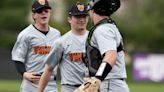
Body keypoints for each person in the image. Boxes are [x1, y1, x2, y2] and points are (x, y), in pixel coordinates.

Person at [37, 2, 89, 92]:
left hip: (91, 88)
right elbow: (48, 70)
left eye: (84, 16)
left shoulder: (95, 39)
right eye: (77, 17)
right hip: (70, 88)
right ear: (69, 19)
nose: (81, 20)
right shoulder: (61, 42)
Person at [11, 0, 61, 92]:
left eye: (46, 11)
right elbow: (18, 58)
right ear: (33, 15)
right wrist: (24, 74)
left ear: (50, 13)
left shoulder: (56, 34)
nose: (43, 13)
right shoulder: (25, 34)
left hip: (50, 83)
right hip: (32, 83)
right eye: (39, 11)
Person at [84, 0, 130, 92]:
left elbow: (111, 55)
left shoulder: (102, 29)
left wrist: (97, 78)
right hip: (112, 83)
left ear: (92, 10)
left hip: (110, 84)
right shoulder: (109, 27)